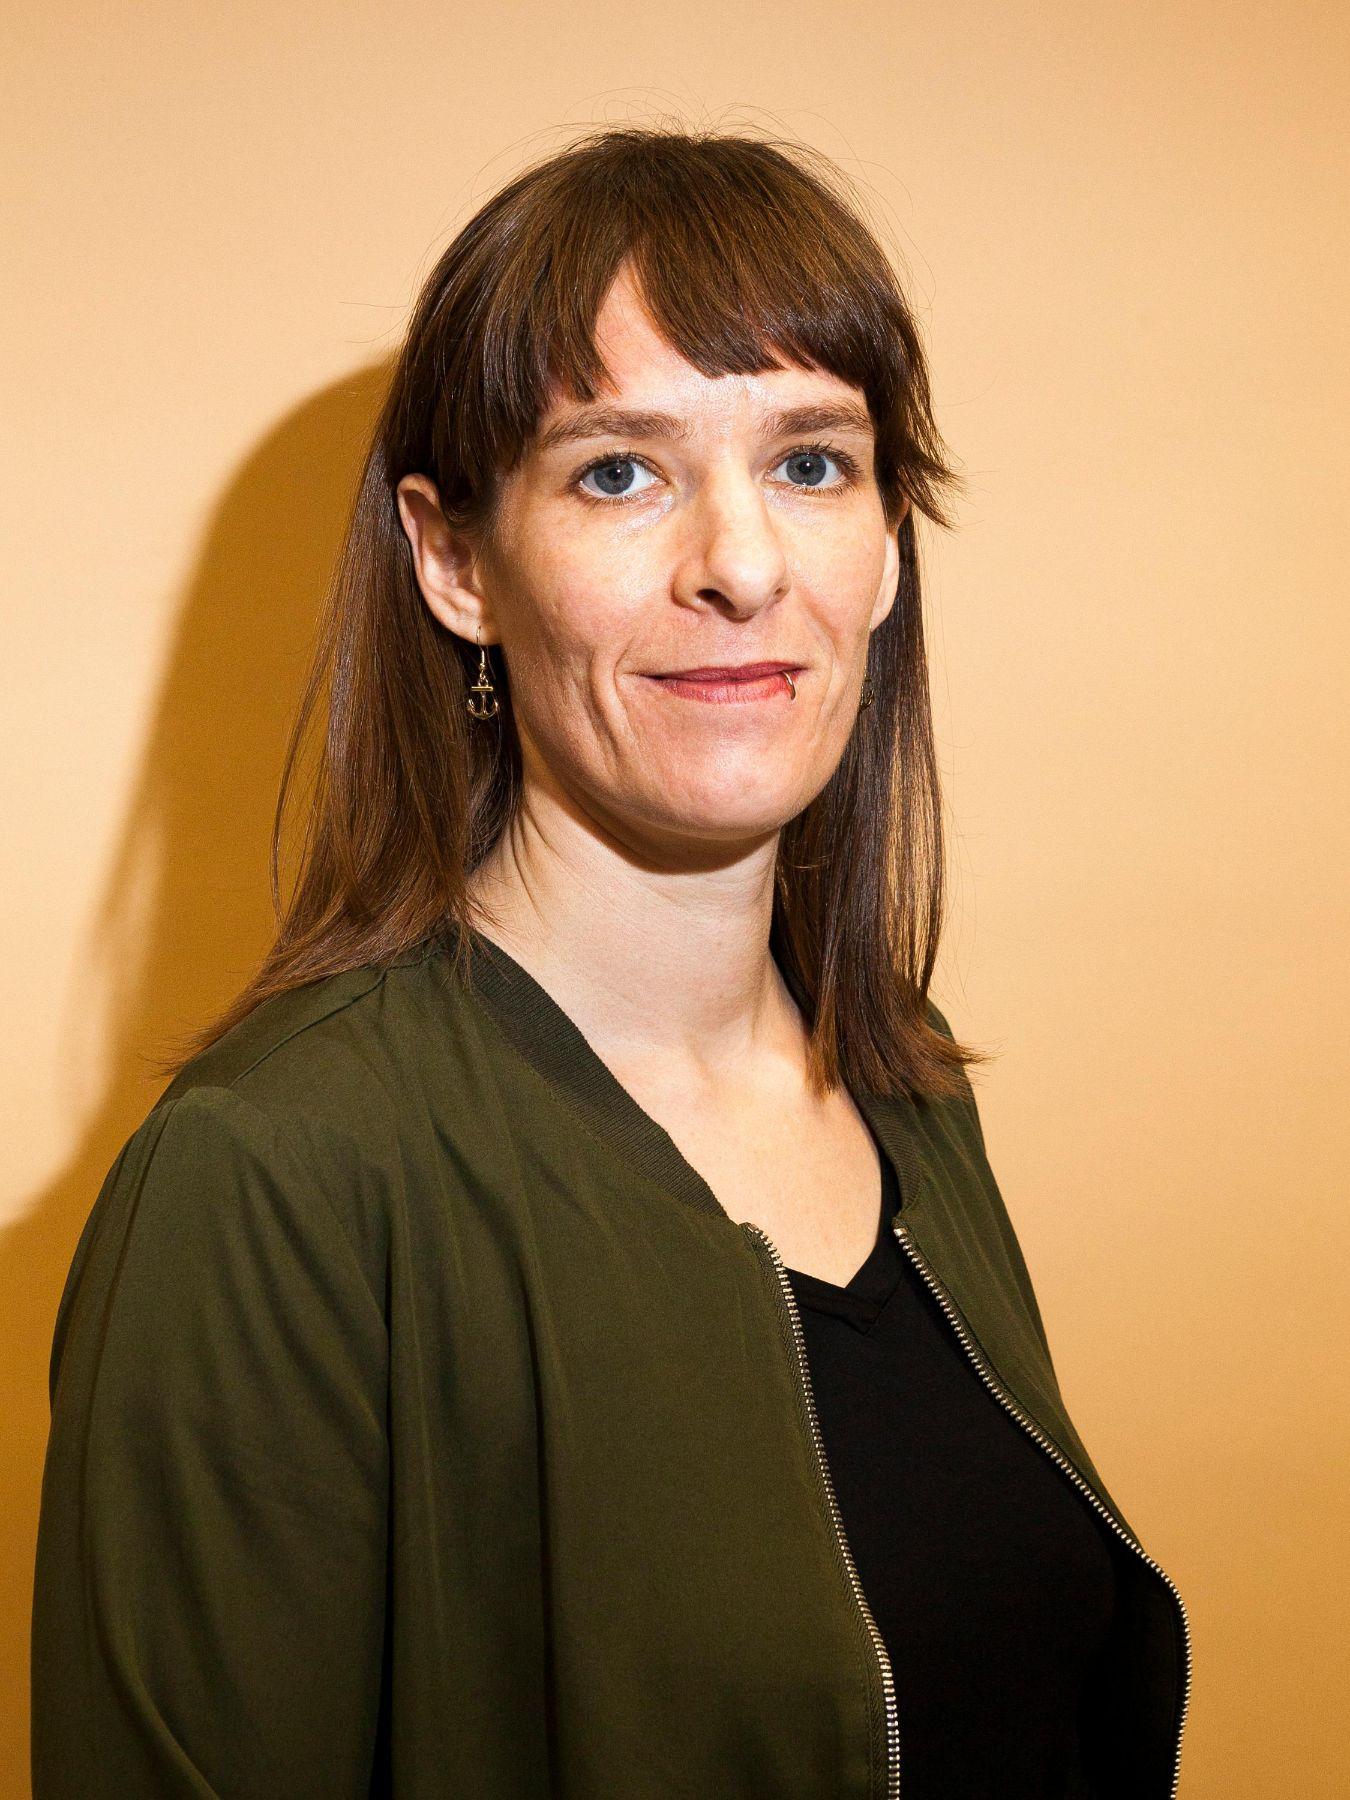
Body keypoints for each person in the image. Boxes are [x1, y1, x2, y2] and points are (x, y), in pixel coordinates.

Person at [31, 125, 1191, 1798]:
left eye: (810, 461)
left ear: (883, 545)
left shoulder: (894, 1075)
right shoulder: (268, 1177)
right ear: (452, 561)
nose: (739, 564)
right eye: (617, 471)